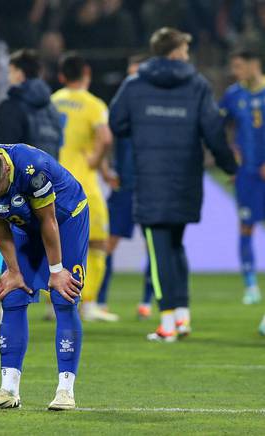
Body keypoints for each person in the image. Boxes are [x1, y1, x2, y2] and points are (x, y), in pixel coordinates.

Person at [109, 27, 237, 342]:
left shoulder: (135, 84)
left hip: (150, 178)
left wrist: (144, 131)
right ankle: (182, 318)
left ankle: (166, 322)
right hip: (186, 179)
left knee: (159, 251)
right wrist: (229, 166)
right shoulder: (197, 85)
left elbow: (117, 122)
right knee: (176, 246)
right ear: (177, 52)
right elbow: (214, 131)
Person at [0, 144, 87, 410]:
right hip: (23, 222)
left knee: (63, 297)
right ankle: (8, 390)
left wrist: (56, 272)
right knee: (13, 294)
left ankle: (65, 391)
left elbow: (48, 221)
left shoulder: (34, 169)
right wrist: (14, 271)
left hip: (65, 218)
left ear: (6, 170)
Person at [51, 53, 116, 322]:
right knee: (98, 243)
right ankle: (87, 303)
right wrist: (96, 163)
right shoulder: (93, 104)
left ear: (62, 77)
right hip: (82, 186)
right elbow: (105, 138)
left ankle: (55, 303)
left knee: (55, 245)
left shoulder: (52, 101)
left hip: (52, 184)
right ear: (86, 72)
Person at [95, 54, 155, 320]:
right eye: (129, 74)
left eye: (137, 74)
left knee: (155, 245)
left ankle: (147, 301)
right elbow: (104, 139)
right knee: (108, 243)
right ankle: (100, 299)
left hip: (151, 184)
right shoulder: (119, 108)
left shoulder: (156, 108)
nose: (132, 80)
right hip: (124, 186)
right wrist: (106, 169)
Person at [219, 49, 265, 305]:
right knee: (246, 226)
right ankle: (250, 285)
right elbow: (216, 126)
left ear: (253, 64)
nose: (235, 72)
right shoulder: (233, 95)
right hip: (247, 174)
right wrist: (230, 157)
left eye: (238, 66)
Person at [0, 49, 62, 160]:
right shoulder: (52, 109)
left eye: (10, 72)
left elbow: (1, 153)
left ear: (19, 74)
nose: (9, 78)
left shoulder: (12, 106)